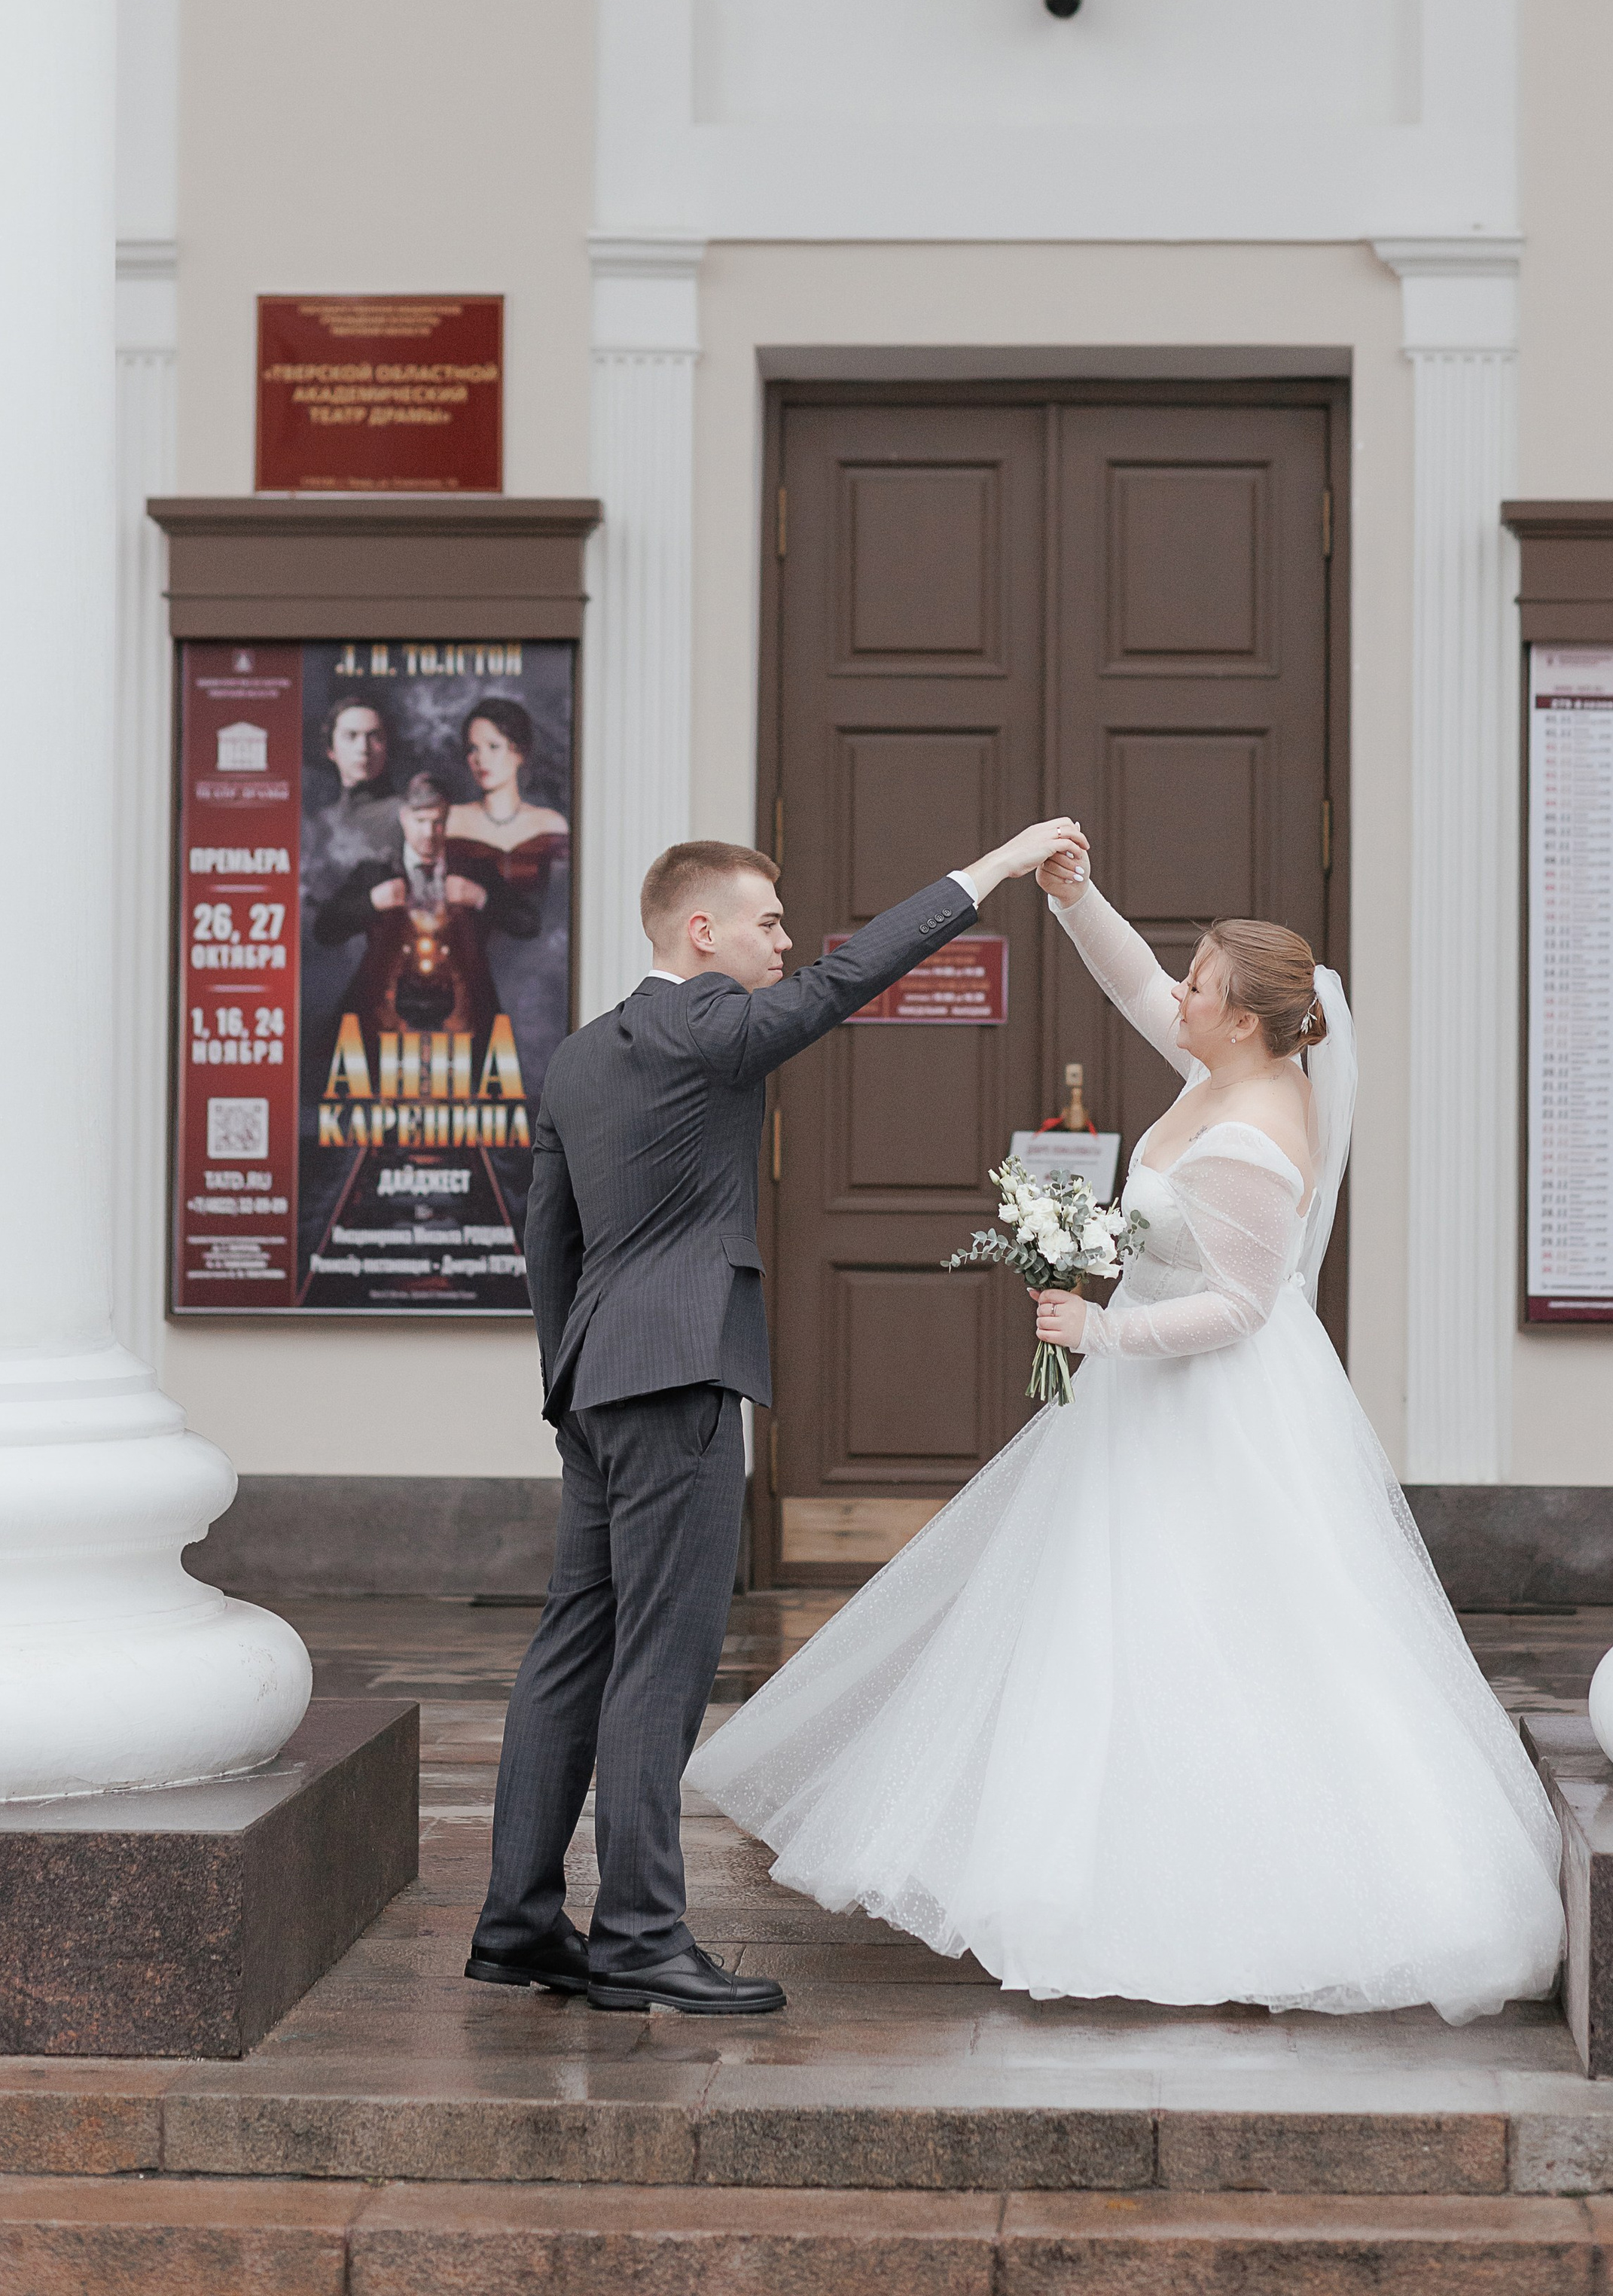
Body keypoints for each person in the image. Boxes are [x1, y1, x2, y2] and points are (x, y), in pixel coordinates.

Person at [691, 840, 1566, 2020]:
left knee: (1210, 1627)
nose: (1181, 994)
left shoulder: (1256, 1132)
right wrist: (1074, 896)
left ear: (1252, 1026)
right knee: (1088, 1621)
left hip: (1211, 1407)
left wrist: (1101, 1332)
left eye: (1202, 984)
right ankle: (1059, 1859)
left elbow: (1245, 1310)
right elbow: (1134, 988)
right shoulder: (1220, 1068)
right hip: (1144, 1400)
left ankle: (1209, 1891)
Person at [466, 814, 1090, 2019]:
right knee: (658, 1663)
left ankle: (519, 1923)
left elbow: (547, 1242)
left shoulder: (586, 1052)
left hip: (597, 1382)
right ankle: (641, 1935)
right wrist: (993, 869)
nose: (787, 942)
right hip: (681, 1380)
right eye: (766, 922)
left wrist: (568, 1382)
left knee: (570, 1654)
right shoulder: (702, 1025)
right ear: (699, 932)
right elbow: (845, 982)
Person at [313, 770, 538, 1041]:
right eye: (420, 821)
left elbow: (528, 924)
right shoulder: (375, 873)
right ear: (404, 817)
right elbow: (324, 930)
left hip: (466, 1022)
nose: (429, 833)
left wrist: (481, 898)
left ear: (447, 819)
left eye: (437, 822)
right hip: (382, 1021)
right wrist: (371, 902)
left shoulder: (475, 872)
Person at [446, 699, 570, 889]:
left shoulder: (551, 824)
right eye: (473, 749)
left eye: (493, 747)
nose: (481, 759)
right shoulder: (450, 819)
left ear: (519, 753)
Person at [301, 694, 402, 899]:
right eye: (351, 736)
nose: (363, 749)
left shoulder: (405, 815)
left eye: (374, 737)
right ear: (331, 750)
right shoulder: (318, 824)